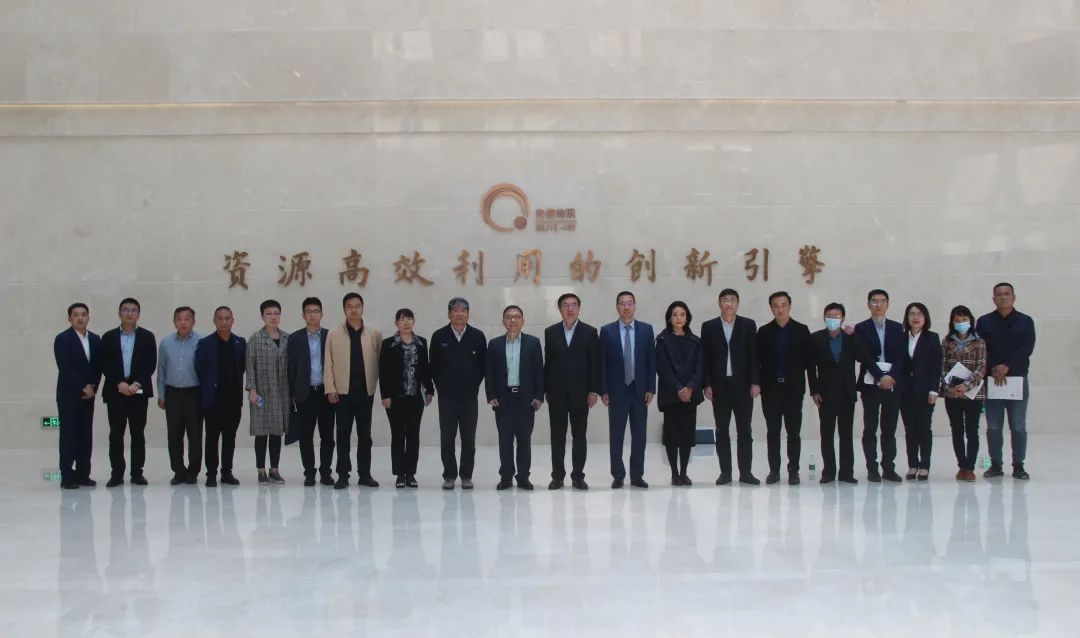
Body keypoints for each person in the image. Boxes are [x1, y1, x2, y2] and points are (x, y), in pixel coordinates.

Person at [808, 302, 881, 484]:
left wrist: (854, 336)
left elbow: (863, 357)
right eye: (829, 316)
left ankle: (846, 473)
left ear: (842, 319)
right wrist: (814, 390)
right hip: (825, 394)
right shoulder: (816, 338)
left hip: (847, 393)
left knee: (846, 435)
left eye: (836, 316)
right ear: (824, 318)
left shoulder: (850, 338)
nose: (832, 319)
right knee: (826, 435)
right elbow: (810, 367)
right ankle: (828, 472)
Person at [700, 288, 761, 485]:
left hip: (743, 386)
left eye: (732, 300)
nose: (729, 303)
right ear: (719, 303)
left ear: (738, 303)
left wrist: (755, 382)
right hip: (720, 386)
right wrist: (707, 384)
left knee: (745, 430)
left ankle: (746, 472)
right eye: (725, 300)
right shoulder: (709, 326)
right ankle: (725, 472)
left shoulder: (748, 325)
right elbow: (705, 358)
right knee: (722, 430)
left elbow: (754, 355)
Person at [976, 282, 1036, 480]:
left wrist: (1007, 366)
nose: (1003, 297)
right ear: (993, 299)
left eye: (1007, 294)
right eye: (999, 294)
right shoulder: (984, 322)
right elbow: (981, 348)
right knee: (993, 425)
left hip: (1017, 379)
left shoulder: (1025, 321)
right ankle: (995, 465)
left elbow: (1026, 348)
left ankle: (1019, 465)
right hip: (992, 380)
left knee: (1018, 425)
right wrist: (995, 367)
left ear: (1013, 297)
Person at [324, 293, 382, 489]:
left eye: (357, 306)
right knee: (343, 436)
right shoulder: (333, 334)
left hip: (366, 393)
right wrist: (330, 388)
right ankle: (343, 475)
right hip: (342, 394)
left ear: (363, 308)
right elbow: (328, 363)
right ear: (344, 309)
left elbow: (381, 362)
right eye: (350, 306)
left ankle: (365, 474)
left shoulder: (374, 333)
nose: (354, 309)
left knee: (365, 436)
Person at [543, 293, 600, 490]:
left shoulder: (590, 332)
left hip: (581, 394)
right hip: (556, 394)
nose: (570, 309)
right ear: (559, 309)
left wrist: (593, 390)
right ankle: (557, 476)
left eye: (573, 305)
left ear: (579, 308)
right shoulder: (550, 332)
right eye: (565, 305)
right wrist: (545, 390)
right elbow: (548, 364)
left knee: (579, 436)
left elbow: (594, 364)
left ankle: (578, 477)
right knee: (557, 437)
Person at [599, 291, 656, 489]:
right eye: (622, 303)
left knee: (639, 436)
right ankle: (618, 475)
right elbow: (602, 363)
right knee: (616, 436)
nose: (626, 307)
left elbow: (651, 361)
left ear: (634, 306)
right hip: (616, 391)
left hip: (640, 391)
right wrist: (603, 390)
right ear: (617, 307)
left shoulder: (646, 330)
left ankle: (637, 475)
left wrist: (650, 388)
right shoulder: (607, 331)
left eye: (629, 303)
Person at [756, 291, 814, 486]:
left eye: (783, 305)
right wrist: (756, 384)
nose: (780, 309)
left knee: (793, 433)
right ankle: (774, 471)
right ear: (771, 308)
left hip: (793, 390)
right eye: (776, 305)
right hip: (770, 390)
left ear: (789, 306)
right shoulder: (764, 332)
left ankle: (793, 471)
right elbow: (757, 362)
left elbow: (809, 363)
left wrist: (813, 389)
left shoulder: (801, 330)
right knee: (773, 432)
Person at [430, 297, 487, 490]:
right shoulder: (439, 336)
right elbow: (433, 366)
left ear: (468, 314)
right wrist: (441, 388)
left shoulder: (477, 336)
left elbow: (483, 366)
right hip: (447, 398)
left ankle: (466, 475)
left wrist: (473, 386)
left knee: (468, 438)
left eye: (463, 310)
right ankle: (449, 475)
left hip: (469, 397)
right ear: (449, 314)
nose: (459, 313)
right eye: (455, 310)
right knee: (447, 437)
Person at [485, 305, 544, 490]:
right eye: (509, 317)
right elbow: (489, 372)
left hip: (526, 399)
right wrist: (491, 395)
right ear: (503, 321)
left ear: (523, 321)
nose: (513, 320)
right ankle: (506, 477)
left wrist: (539, 396)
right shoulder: (494, 344)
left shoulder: (533, 343)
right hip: (503, 399)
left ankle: (523, 477)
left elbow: (539, 371)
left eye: (517, 316)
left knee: (524, 440)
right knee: (505, 440)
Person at [99, 298, 156, 487]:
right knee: (116, 434)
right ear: (119, 313)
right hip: (116, 391)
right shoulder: (108, 337)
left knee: (138, 433)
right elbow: (104, 363)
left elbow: (150, 364)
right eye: (125, 310)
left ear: (138, 314)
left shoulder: (147, 337)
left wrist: (136, 383)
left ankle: (137, 473)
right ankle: (116, 474)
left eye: (133, 310)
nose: (129, 313)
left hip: (138, 391)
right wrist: (119, 383)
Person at [853, 289, 905, 483]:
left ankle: (889, 468)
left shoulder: (898, 328)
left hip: (893, 384)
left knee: (889, 429)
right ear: (868, 305)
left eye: (882, 301)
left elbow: (901, 356)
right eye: (874, 301)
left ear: (888, 304)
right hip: (870, 385)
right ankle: (872, 468)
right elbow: (863, 356)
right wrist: (880, 376)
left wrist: (890, 376)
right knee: (870, 428)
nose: (878, 304)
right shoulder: (861, 328)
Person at [379, 308, 434, 488]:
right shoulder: (388, 344)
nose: (406, 322)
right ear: (396, 322)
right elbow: (383, 371)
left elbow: (426, 368)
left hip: (415, 397)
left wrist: (429, 390)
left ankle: (410, 473)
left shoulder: (421, 343)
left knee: (413, 434)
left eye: (409, 319)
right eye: (402, 319)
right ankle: (399, 474)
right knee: (397, 435)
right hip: (395, 398)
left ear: (413, 321)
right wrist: (385, 395)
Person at [196, 306, 246, 487]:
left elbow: (242, 367)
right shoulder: (205, 343)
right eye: (220, 318)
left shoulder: (240, 343)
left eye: (227, 318)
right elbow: (199, 370)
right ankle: (211, 474)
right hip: (213, 401)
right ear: (214, 321)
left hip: (233, 400)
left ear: (233, 320)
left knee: (229, 439)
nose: (224, 322)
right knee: (211, 439)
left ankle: (227, 472)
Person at [286, 297, 334, 487]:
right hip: (304, 394)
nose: (312, 315)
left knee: (327, 436)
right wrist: (292, 394)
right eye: (308, 311)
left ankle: (326, 472)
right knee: (305, 436)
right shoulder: (295, 338)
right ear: (303, 315)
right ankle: (309, 473)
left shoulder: (330, 336)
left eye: (316, 311)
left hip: (325, 393)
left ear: (322, 314)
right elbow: (290, 368)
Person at [53, 302, 102, 489]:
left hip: (89, 396)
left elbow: (98, 367)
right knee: (69, 435)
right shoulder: (62, 339)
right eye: (75, 315)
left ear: (88, 317)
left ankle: (83, 475)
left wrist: (93, 388)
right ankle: (67, 476)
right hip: (69, 395)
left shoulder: (95, 339)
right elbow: (64, 368)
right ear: (69, 318)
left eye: (83, 314)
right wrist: (82, 387)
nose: (80, 318)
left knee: (85, 435)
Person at [655, 301, 703, 486]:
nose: (679, 318)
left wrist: (689, 387)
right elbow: (662, 367)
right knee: (672, 436)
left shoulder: (696, 341)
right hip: (671, 395)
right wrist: (678, 388)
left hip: (690, 396)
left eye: (682, 314)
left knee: (686, 436)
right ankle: (674, 473)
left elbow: (700, 367)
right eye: (675, 314)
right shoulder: (662, 340)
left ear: (687, 317)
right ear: (669, 318)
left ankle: (684, 472)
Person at [939, 305, 986, 482]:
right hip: (952, 393)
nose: (961, 323)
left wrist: (966, 386)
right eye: (957, 320)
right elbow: (942, 366)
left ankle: (971, 467)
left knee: (972, 430)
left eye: (964, 319)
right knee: (956, 430)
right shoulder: (946, 342)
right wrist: (949, 386)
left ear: (971, 321)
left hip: (973, 393)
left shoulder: (979, 342)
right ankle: (962, 466)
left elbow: (981, 367)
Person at [246, 300, 290, 484]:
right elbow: (250, 366)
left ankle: (274, 469)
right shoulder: (256, 339)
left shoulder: (287, 338)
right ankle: (260, 470)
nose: (273, 317)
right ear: (262, 316)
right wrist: (252, 389)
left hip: (281, 393)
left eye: (276, 313)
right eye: (269, 314)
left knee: (276, 432)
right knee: (261, 431)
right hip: (261, 392)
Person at [157, 306, 202, 485]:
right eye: (179, 319)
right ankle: (178, 471)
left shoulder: (201, 342)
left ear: (193, 321)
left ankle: (193, 472)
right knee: (174, 435)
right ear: (174, 322)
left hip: (194, 394)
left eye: (187, 319)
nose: (183, 322)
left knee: (195, 435)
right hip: (173, 393)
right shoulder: (166, 343)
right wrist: (161, 394)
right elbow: (161, 371)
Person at [900, 302, 942, 480]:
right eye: (912, 313)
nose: (915, 317)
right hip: (905, 391)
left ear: (925, 318)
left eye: (919, 314)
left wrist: (934, 390)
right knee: (910, 429)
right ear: (907, 317)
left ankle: (924, 465)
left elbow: (936, 366)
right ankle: (912, 464)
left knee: (924, 428)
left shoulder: (932, 338)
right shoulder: (900, 337)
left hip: (925, 391)